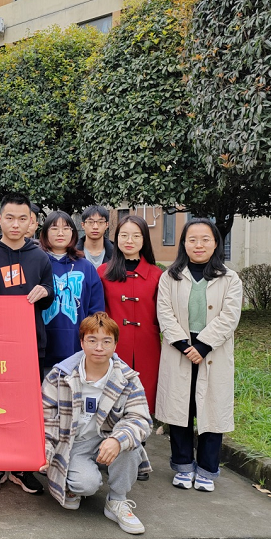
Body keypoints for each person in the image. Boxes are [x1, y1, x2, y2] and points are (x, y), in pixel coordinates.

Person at [0, 192, 54, 495]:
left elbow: (50, 294)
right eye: (10, 218)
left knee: (25, 408)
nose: (16, 224)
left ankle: (21, 466)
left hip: (30, 345)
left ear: (31, 222)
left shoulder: (40, 257)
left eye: (22, 218)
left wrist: (45, 292)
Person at [41, 312, 151, 535]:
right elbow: (46, 420)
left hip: (107, 439)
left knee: (131, 444)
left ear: (115, 345)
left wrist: (117, 440)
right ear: (82, 342)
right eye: (92, 340)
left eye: (106, 341)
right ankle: (74, 486)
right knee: (86, 485)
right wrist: (45, 454)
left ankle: (117, 500)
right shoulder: (59, 376)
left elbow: (140, 419)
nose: (99, 347)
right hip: (75, 443)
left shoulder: (128, 378)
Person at [156, 218, 242, 493]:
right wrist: (184, 345)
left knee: (211, 410)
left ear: (216, 243)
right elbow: (164, 313)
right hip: (179, 350)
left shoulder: (230, 278)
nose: (199, 245)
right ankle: (183, 465)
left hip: (213, 351)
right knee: (180, 410)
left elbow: (230, 317)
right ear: (184, 244)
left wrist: (203, 346)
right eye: (192, 239)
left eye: (205, 239)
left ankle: (206, 470)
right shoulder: (170, 276)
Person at [98, 215, 162, 414]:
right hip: (112, 346)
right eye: (124, 235)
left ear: (144, 240)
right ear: (116, 238)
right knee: (111, 400)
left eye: (136, 236)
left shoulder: (157, 275)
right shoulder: (103, 272)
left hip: (148, 346)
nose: (129, 240)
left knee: (144, 399)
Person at [39, 210, 105, 372]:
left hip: (76, 347)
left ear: (73, 233)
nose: (60, 233)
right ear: (45, 233)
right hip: (41, 347)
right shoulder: (36, 263)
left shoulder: (86, 267)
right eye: (54, 228)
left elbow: (96, 311)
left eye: (66, 228)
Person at [77, 206, 114, 270]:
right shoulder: (71, 252)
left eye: (100, 222)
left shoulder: (116, 253)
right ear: (83, 225)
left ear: (107, 225)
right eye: (90, 222)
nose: (95, 227)